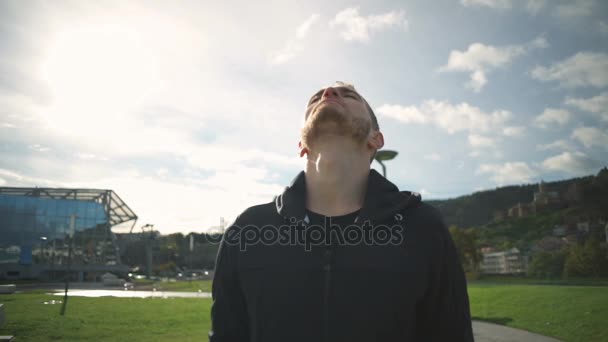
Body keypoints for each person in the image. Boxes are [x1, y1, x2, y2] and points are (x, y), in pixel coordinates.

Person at [209, 81, 474, 342]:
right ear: (301, 144)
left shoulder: (422, 226)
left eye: (349, 96)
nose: (328, 93)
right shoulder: (248, 229)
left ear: (376, 139)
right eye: (315, 99)